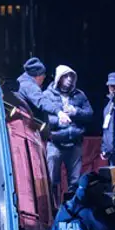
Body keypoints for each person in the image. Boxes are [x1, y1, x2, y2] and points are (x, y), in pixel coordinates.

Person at [43, 65, 93, 197]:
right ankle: (54, 206)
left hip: (75, 143)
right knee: (52, 179)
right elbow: (42, 117)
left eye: (71, 76)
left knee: (75, 181)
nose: (69, 79)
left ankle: (73, 206)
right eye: (65, 76)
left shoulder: (80, 95)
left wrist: (76, 112)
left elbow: (90, 114)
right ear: (58, 78)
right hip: (55, 143)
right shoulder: (47, 95)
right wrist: (58, 121)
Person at [15, 57, 62, 121]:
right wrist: (58, 112)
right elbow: (41, 100)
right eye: (43, 74)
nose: (44, 76)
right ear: (37, 75)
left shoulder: (22, 80)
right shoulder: (30, 86)